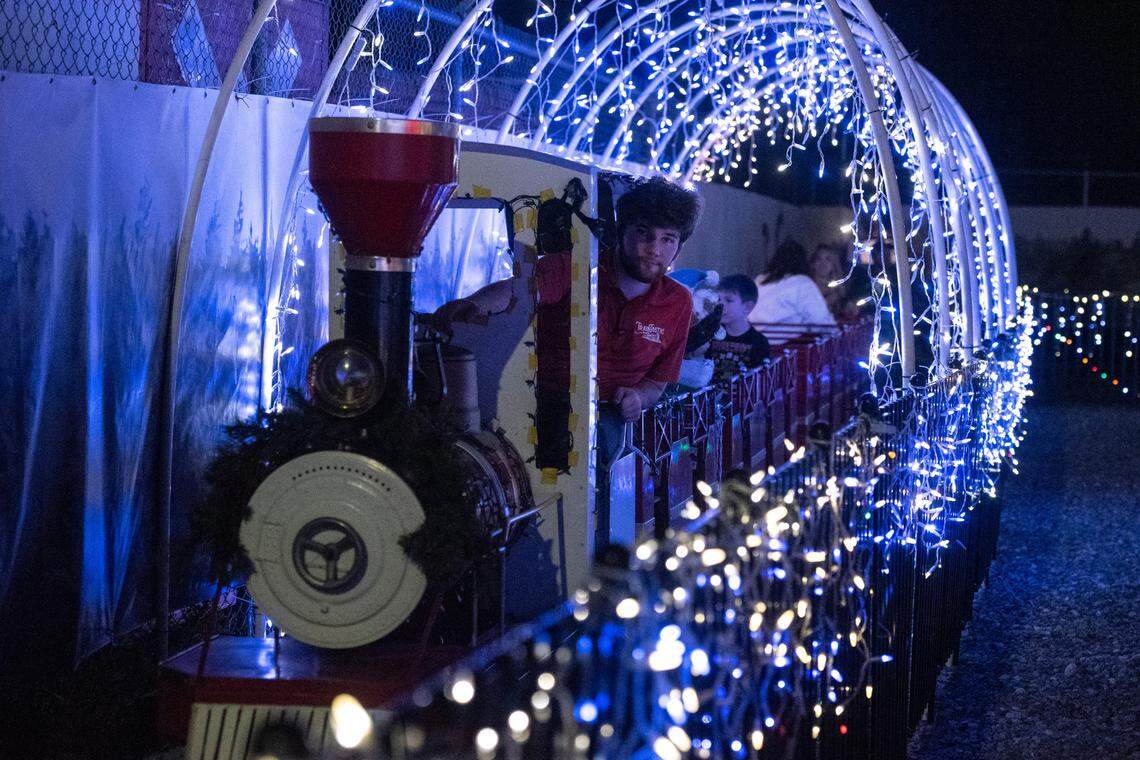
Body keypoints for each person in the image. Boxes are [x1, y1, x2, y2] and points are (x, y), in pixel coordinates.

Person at [432, 176, 702, 468]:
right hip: (537, 401)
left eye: (667, 239)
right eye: (643, 233)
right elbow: (519, 290)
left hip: (608, 413)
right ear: (621, 232)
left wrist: (637, 397)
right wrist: (474, 305)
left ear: (679, 249)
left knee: (600, 439)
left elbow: (657, 381)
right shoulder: (575, 266)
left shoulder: (679, 302)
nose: (654, 248)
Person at [749, 238, 835, 344]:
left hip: (751, 343)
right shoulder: (802, 283)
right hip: (783, 350)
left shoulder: (759, 280)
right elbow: (822, 322)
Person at [706, 274, 770, 380]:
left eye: (728, 300)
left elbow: (761, 380)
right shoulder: (711, 333)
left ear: (747, 307)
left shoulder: (759, 342)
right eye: (718, 299)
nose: (720, 305)